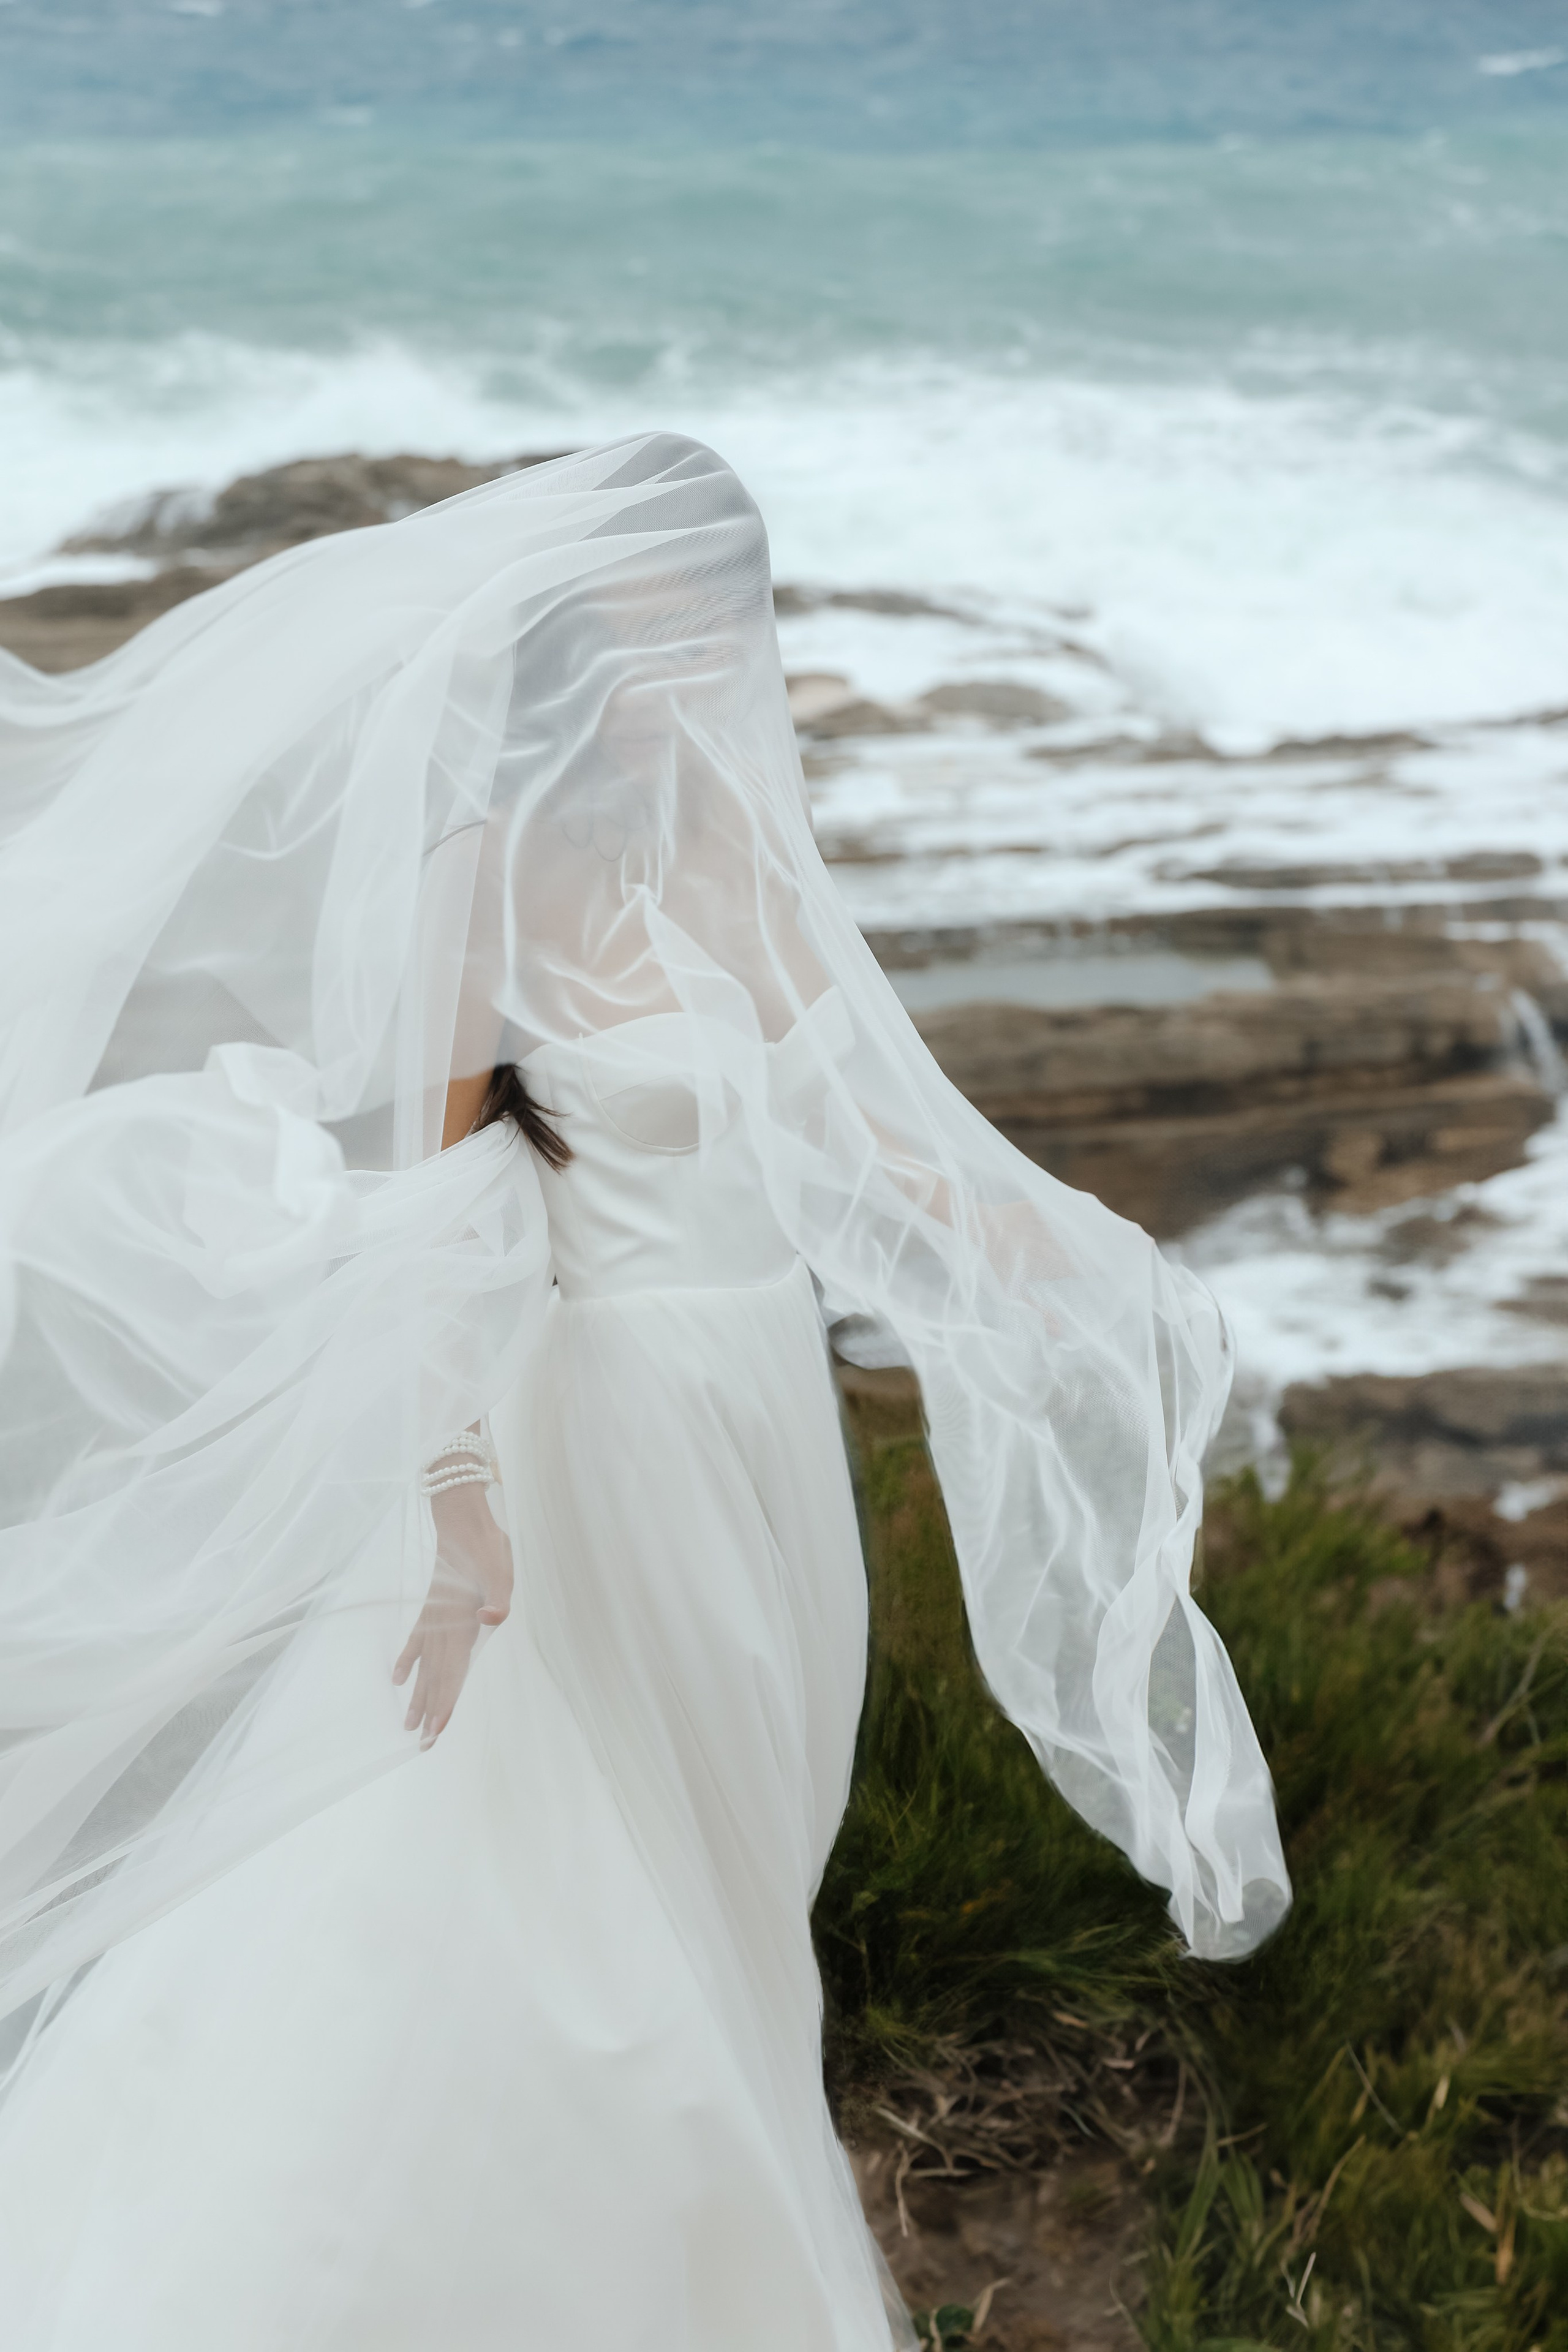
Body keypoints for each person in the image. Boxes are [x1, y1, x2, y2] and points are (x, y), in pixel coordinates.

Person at [0, 434, 1289, 2348]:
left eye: (722, 614)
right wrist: (451, 1502)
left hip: (753, 1430)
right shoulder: (479, 853)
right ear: (582, 624)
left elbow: (859, 1132)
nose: (714, 652)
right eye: (679, 612)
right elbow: (438, 1190)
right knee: (517, 1862)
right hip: (575, 1432)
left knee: (724, 1864)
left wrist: (1066, 1269)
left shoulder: (729, 846)